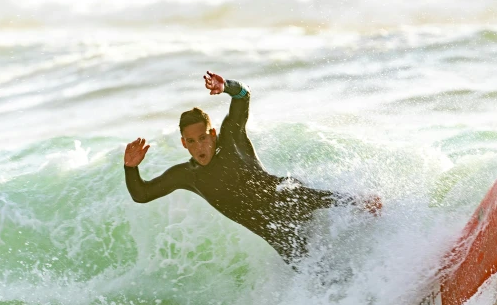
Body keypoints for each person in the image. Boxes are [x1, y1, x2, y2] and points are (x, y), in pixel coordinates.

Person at [123, 71, 381, 264]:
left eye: (203, 138)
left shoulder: (230, 136)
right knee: (323, 277)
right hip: (279, 235)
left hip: (292, 199)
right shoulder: (187, 175)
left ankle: (380, 222)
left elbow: (243, 95)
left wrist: (226, 87)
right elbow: (142, 195)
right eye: (191, 142)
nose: (200, 147)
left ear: (212, 134)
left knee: (362, 207)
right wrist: (130, 168)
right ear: (183, 143)